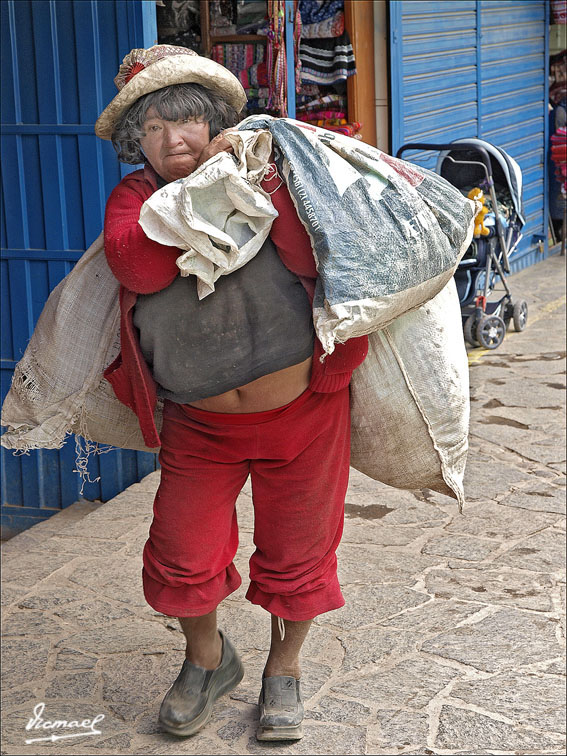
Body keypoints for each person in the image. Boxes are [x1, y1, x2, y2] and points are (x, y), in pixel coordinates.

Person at [95, 44, 368, 742]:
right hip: (199, 426)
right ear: (137, 143)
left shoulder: (271, 174)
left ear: (217, 120)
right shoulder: (132, 198)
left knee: (297, 552)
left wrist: (245, 177)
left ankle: (285, 669)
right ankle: (208, 661)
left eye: (187, 122)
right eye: (153, 129)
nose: (173, 141)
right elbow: (140, 264)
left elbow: (324, 257)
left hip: (303, 415)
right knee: (182, 552)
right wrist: (215, 191)